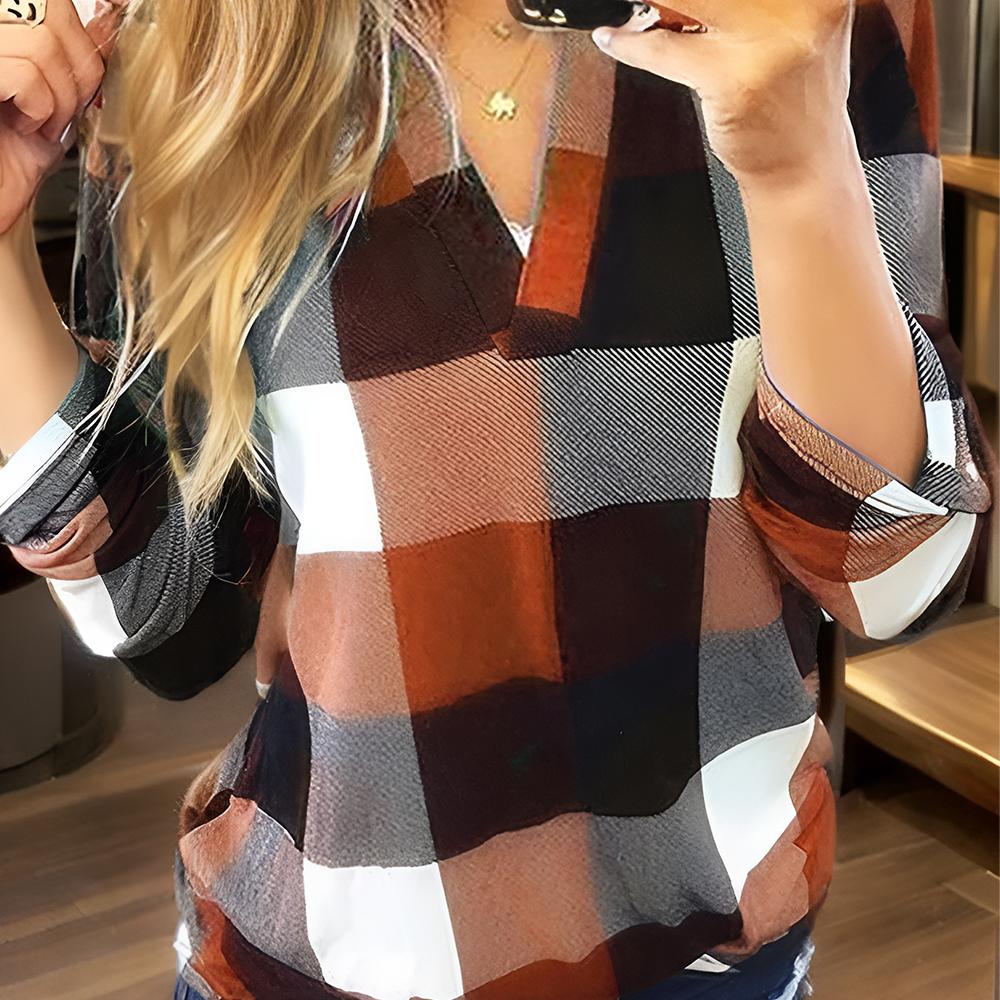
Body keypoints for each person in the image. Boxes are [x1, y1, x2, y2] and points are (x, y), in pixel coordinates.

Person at [0, 0, 994, 997]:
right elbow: (162, 606)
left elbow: (895, 575)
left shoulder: (822, 12)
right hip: (316, 953)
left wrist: (798, 169)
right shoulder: (194, 31)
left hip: (710, 953)